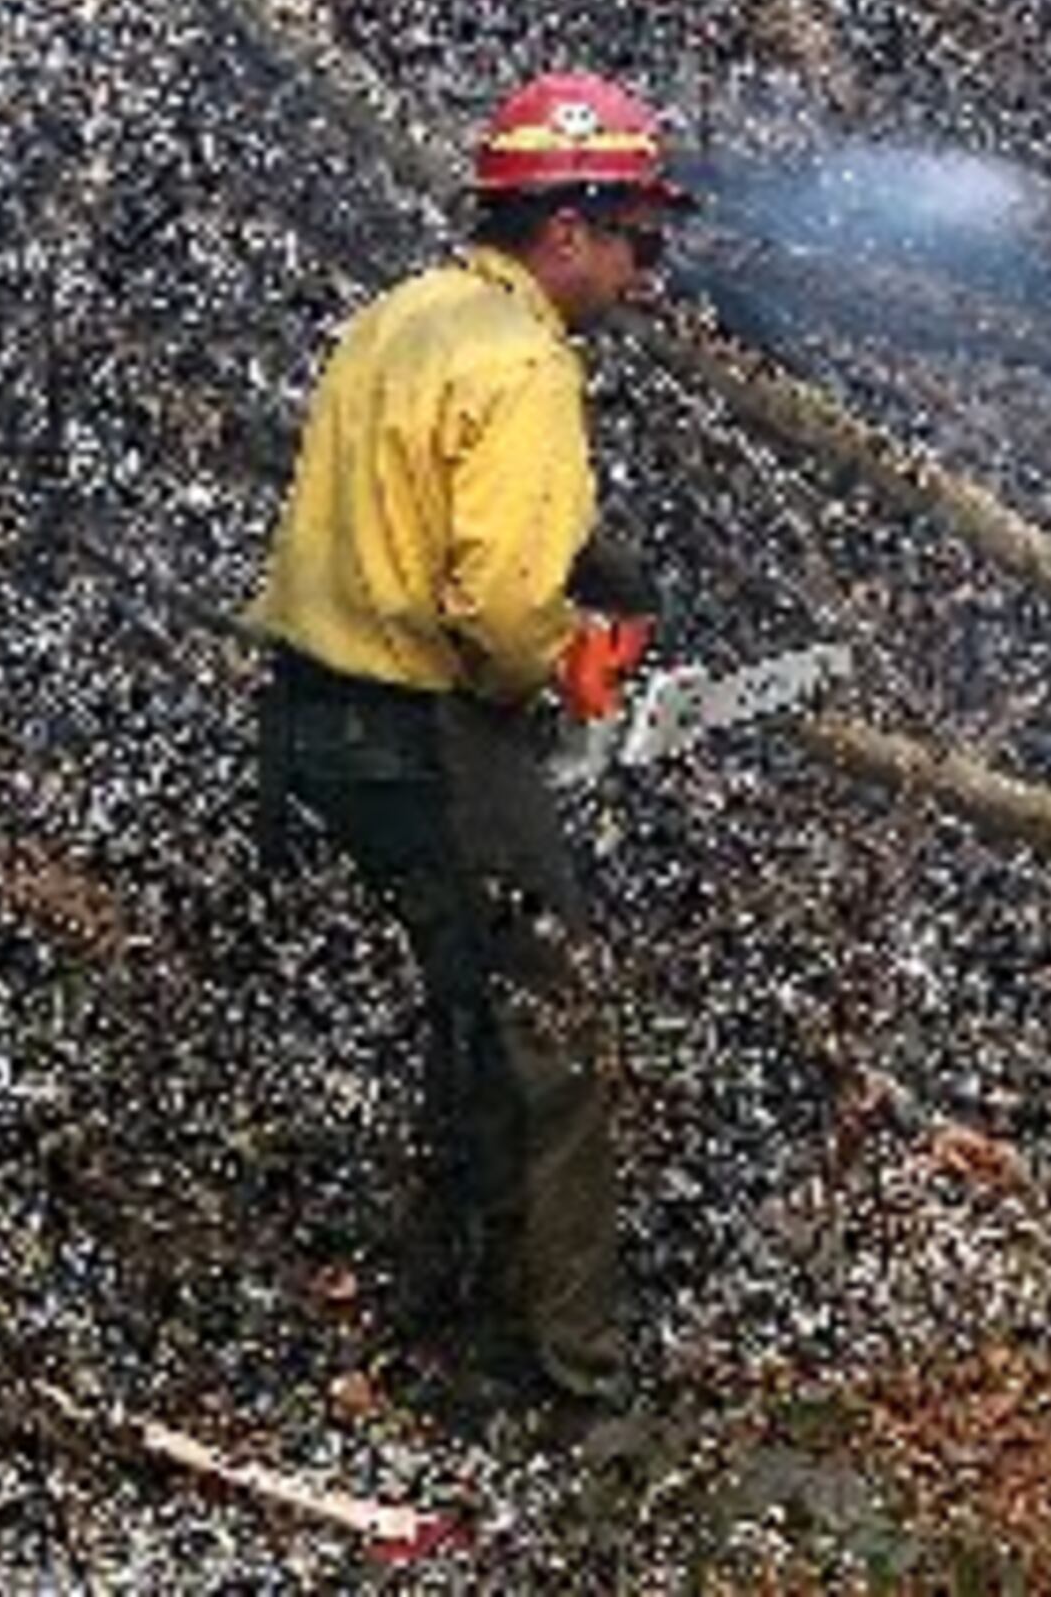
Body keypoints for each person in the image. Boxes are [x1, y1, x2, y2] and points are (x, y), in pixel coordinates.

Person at [246, 69, 696, 1411]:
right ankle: (575, 1379)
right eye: (636, 238)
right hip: (427, 726)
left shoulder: (402, 317)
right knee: (557, 1041)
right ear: (567, 230)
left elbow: (406, 503)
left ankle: (445, 1322)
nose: (641, 267)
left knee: (469, 1017)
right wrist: (568, 664)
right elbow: (499, 601)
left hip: (315, 716)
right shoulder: (523, 361)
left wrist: (606, 594)